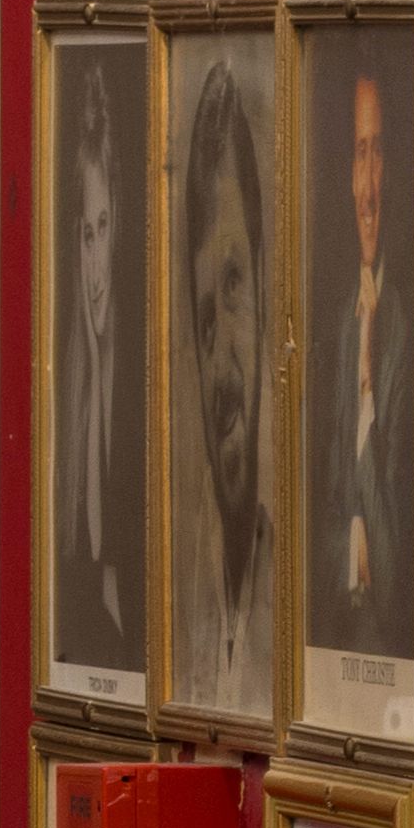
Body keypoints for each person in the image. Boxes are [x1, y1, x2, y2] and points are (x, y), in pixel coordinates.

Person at [178, 51, 276, 706]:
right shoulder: (191, 610)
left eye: (235, 286)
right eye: (207, 320)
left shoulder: (298, 594)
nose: (222, 372)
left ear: (266, 291)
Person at [323, 55, 408, 663]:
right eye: (359, 154)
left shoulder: (407, 323)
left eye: (378, 153)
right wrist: (353, 549)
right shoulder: (337, 324)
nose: (369, 189)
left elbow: (396, 566)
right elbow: (319, 535)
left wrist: (371, 385)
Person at [60, 84, 136, 666]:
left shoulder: (136, 381)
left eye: (104, 227)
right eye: (86, 235)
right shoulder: (72, 392)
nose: (95, 266)